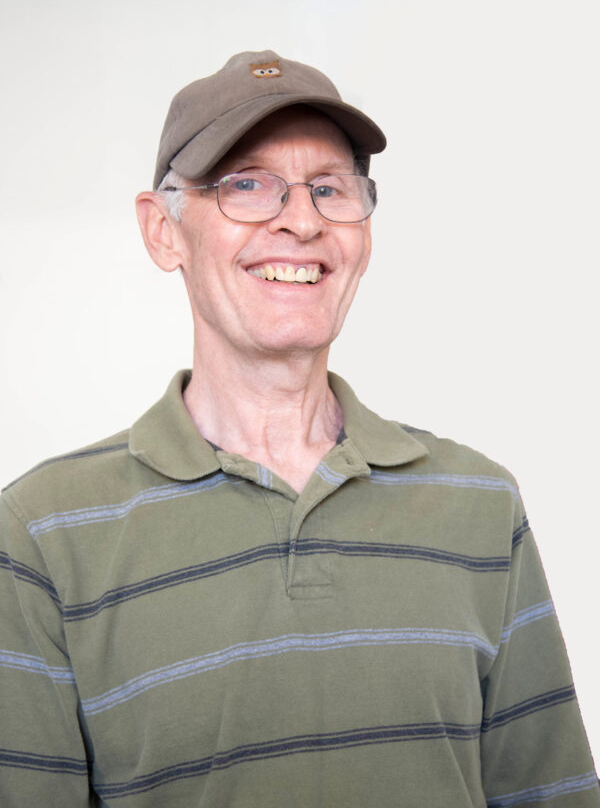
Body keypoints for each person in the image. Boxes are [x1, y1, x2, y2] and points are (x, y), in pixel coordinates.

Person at [0, 50, 597, 807]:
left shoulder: (480, 506)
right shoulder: (44, 533)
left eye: (328, 188)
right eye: (247, 184)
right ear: (164, 232)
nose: (302, 220)